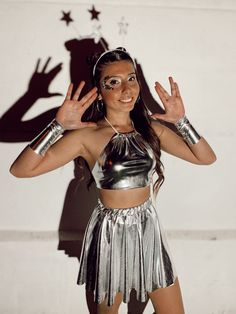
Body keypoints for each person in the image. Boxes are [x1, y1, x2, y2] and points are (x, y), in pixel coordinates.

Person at [10, 47, 216, 314]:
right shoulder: (87, 136)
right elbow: (21, 170)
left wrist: (182, 121)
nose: (126, 89)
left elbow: (205, 158)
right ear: (99, 90)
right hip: (111, 236)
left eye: (131, 78)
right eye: (114, 83)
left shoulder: (151, 129)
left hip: (148, 231)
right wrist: (57, 126)